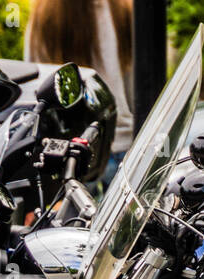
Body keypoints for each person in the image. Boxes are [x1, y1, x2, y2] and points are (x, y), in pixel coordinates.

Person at [25, 0, 133, 179]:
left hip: (70, 153)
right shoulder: (121, 9)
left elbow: (38, 89)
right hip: (121, 141)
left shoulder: (44, 14)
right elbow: (137, 90)